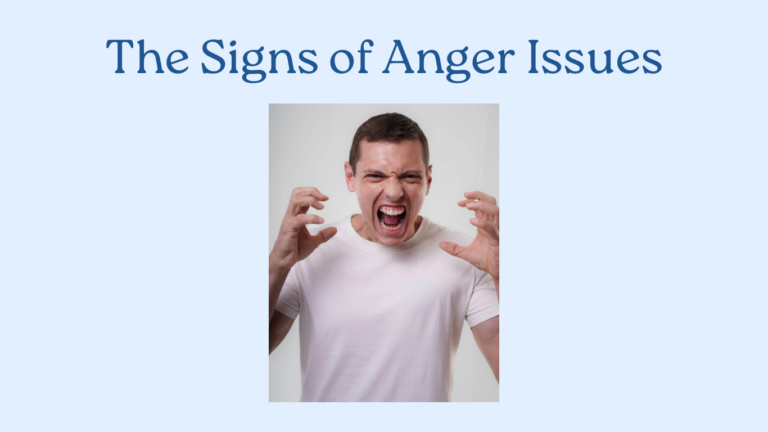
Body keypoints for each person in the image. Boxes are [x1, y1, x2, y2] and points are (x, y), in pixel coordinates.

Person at [268, 113, 499, 402]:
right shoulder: (313, 251)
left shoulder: (465, 255)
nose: (393, 191)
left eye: (410, 176)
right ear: (350, 177)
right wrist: (277, 265)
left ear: (428, 179)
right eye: (376, 175)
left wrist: (502, 277)